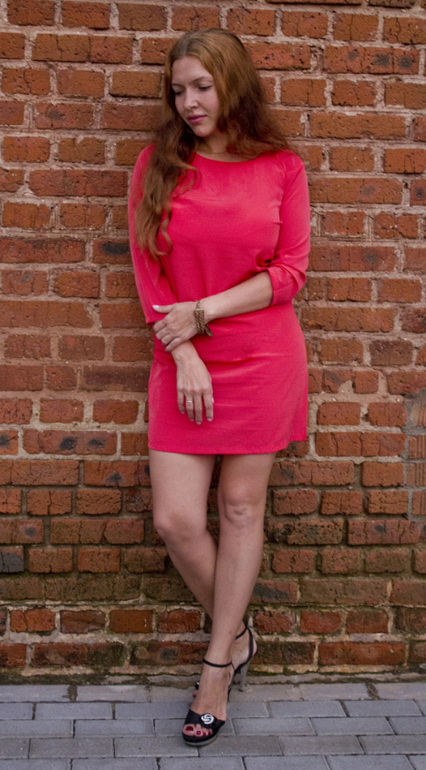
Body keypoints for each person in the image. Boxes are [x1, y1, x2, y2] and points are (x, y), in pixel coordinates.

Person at [128, 28, 311, 746]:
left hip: (262, 356)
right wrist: (185, 351)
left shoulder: (281, 167)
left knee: (239, 509)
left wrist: (204, 311)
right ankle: (237, 636)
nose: (189, 102)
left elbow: (289, 272)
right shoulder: (157, 165)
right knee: (177, 520)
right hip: (182, 357)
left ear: (232, 84)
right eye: (178, 90)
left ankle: (214, 671)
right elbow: (148, 271)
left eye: (202, 86)